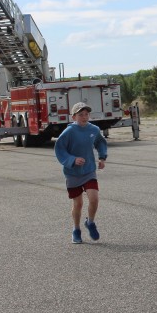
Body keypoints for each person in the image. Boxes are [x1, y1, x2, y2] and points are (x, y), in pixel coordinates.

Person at [54, 102, 107, 244]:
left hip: (89, 170)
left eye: (86, 114)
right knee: (78, 204)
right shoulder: (69, 132)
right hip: (72, 173)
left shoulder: (94, 129)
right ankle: (76, 230)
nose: (84, 117)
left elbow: (100, 143)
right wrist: (72, 160)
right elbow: (59, 149)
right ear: (74, 117)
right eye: (80, 115)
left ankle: (90, 222)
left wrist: (102, 157)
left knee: (94, 199)